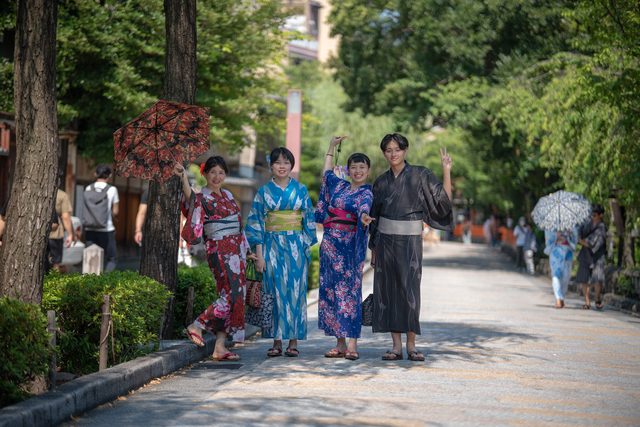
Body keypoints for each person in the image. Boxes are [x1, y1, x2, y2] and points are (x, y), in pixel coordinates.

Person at [368, 133, 454, 361]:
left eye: (397, 149)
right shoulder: (380, 181)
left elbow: (443, 201)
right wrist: (374, 253)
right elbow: (373, 220)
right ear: (384, 153)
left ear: (405, 151)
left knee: (410, 291)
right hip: (385, 242)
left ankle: (411, 344)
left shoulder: (420, 174)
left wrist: (446, 170)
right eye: (388, 150)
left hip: (410, 242)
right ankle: (395, 346)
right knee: (388, 291)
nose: (393, 153)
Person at [173, 157, 256, 361]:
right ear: (205, 173)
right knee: (230, 295)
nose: (217, 176)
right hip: (219, 249)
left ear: (225, 174)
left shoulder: (228, 195)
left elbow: (238, 224)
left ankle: (220, 347)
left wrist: (247, 251)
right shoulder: (202, 196)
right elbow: (190, 199)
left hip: (237, 249)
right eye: (213, 172)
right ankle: (197, 325)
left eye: (221, 172)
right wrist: (184, 177)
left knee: (235, 296)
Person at [245, 147, 318, 358]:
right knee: (273, 292)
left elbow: (309, 220)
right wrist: (259, 255)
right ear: (271, 166)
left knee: (295, 293)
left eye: (286, 162)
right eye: (278, 162)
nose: (282, 166)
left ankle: (293, 342)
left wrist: (303, 243)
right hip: (270, 246)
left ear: (291, 165)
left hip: (296, 247)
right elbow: (256, 223)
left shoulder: (301, 189)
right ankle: (276, 341)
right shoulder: (263, 192)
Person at [315, 136, 374, 361]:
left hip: (349, 248)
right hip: (329, 245)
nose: (358, 171)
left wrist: (365, 217)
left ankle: (352, 343)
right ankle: (339, 344)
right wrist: (331, 147)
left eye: (362, 167)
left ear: (368, 171)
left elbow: (364, 208)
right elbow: (326, 173)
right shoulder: (338, 186)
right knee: (330, 292)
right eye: (354, 167)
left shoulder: (366, 192)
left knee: (349, 293)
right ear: (347, 170)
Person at [84, 164, 119, 271]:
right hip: (106, 229)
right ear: (109, 175)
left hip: (89, 228)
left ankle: (89, 281)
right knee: (112, 258)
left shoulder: (88, 188)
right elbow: (116, 211)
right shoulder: (112, 189)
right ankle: (105, 283)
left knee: (90, 257)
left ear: (95, 174)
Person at [577, 204, 607, 310]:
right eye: (591, 215)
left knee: (597, 279)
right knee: (585, 279)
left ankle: (597, 298)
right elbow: (581, 231)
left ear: (601, 215)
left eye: (594, 215)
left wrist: (581, 241)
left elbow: (595, 246)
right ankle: (587, 302)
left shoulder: (602, 229)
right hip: (585, 255)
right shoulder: (588, 222)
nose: (592, 217)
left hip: (597, 256)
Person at [49, 169, 77, 271]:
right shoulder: (61, 195)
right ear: (59, 179)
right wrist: (70, 234)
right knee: (55, 263)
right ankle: (52, 284)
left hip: (39, 232)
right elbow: (66, 217)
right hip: (55, 235)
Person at [544, 227, 578, 308]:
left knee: (566, 277)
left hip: (567, 252)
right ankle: (558, 299)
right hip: (555, 252)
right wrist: (556, 236)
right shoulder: (550, 225)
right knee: (556, 275)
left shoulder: (571, 225)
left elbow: (575, 241)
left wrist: (569, 235)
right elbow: (548, 241)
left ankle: (562, 298)